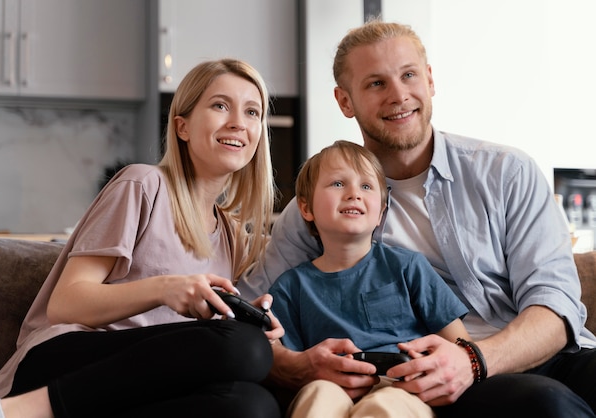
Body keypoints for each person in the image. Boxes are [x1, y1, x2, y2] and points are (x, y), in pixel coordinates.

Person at [238, 19, 596, 418]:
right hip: (422, 379)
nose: (398, 95)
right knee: (544, 404)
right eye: (376, 84)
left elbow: (556, 303)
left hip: (528, 351)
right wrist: (293, 367)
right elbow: (252, 310)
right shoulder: (317, 211)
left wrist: (472, 361)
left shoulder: (507, 172)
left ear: (429, 80)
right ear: (345, 101)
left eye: (408, 75)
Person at [0, 58, 284, 418]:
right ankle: (7, 414)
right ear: (182, 126)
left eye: (252, 112)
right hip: (59, 365)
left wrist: (240, 319)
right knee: (247, 350)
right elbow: (65, 304)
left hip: (134, 389)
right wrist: (165, 288)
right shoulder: (143, 185)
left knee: (254, 407)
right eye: (220, 105)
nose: (238, 123)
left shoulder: (232, 237)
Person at [268, 140, 471, 417]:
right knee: (318, 397)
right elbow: (283, 362)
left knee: (382, 407)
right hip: (330, 384)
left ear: (381, 213)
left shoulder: (408, 267)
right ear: (306, 208)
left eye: (366, 186)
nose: (354, 193)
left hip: (403, 388)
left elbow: (460, 345)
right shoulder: (291, 287)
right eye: (338, 184)